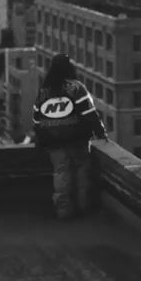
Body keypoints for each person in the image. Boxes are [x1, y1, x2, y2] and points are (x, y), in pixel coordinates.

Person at [32, 54, 108, 220]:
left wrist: (40, 138)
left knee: (61, 172)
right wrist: (100, 132)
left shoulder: (44, 91)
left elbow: (36, 119)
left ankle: (63, 211)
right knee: (81, 170)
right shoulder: (77, 88)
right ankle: (83, 206)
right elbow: (90, 114)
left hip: (52, 142)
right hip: (77, 139)